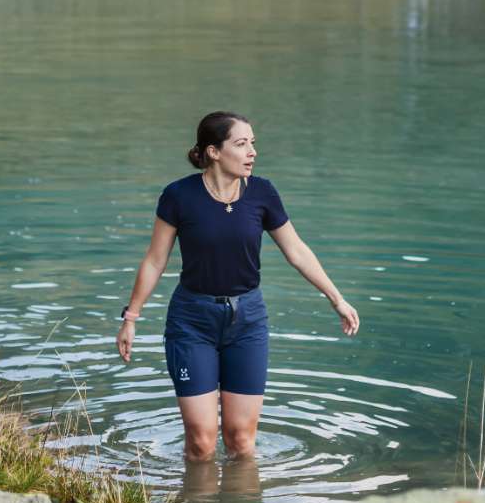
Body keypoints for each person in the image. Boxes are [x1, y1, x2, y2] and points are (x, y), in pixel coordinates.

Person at [117, 111, 362, 462]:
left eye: (253, 144)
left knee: (241, 440)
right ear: (214, 152)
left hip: (248, 321)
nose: (252, 152)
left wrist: (336, 298)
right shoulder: (179, 196)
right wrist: (131, 317)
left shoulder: (262, 193)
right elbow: (155, 260)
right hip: (192, 321)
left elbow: (296, 251)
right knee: (201, 442)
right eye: (241, 144)